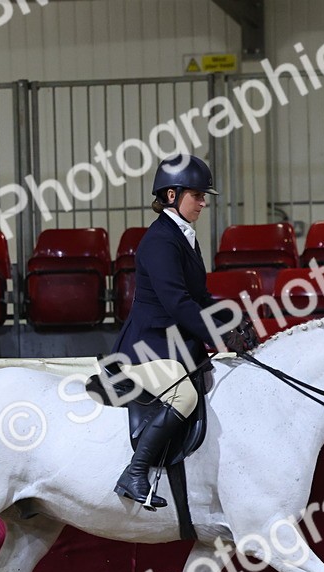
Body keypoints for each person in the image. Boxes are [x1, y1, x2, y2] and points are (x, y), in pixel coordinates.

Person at [110, 154, 255, 510]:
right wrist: (217, 336)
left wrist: (229, 322)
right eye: (197, 195)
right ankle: (135, 472)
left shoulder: (185, 237)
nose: (204, 202)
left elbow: (200, 296)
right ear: (172, 195)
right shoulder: (160, 240)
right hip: (147, 348)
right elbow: (177, 304)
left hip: (176, 346)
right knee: (184, 397)